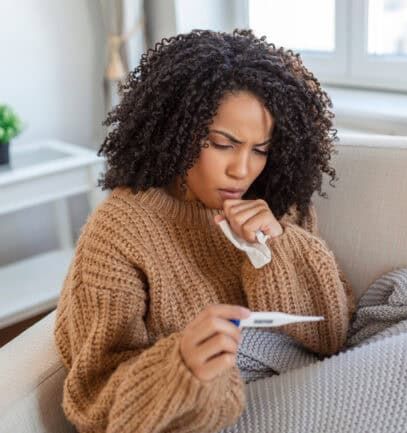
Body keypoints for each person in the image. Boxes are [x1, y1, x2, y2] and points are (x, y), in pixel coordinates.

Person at [53, 28, 356, 433]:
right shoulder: (121, 232)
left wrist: (278, 246)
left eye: (260, 149)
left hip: (316, 384)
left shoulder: (277, 202)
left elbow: (333, 334)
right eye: (222, 143)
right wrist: (181, 366)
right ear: (175, 130)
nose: (243, 169)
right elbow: (94, 395)